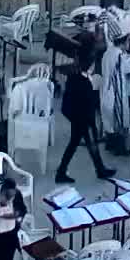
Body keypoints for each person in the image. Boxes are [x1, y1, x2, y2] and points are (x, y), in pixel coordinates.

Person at [54, 47, 116, 184]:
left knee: (77, 144)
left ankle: (96, 169)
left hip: (78, 117)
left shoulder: (73, 77)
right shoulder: (84, 82)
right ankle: (98, 170)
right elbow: (88, 103)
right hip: (84, 119)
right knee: (89, 144)